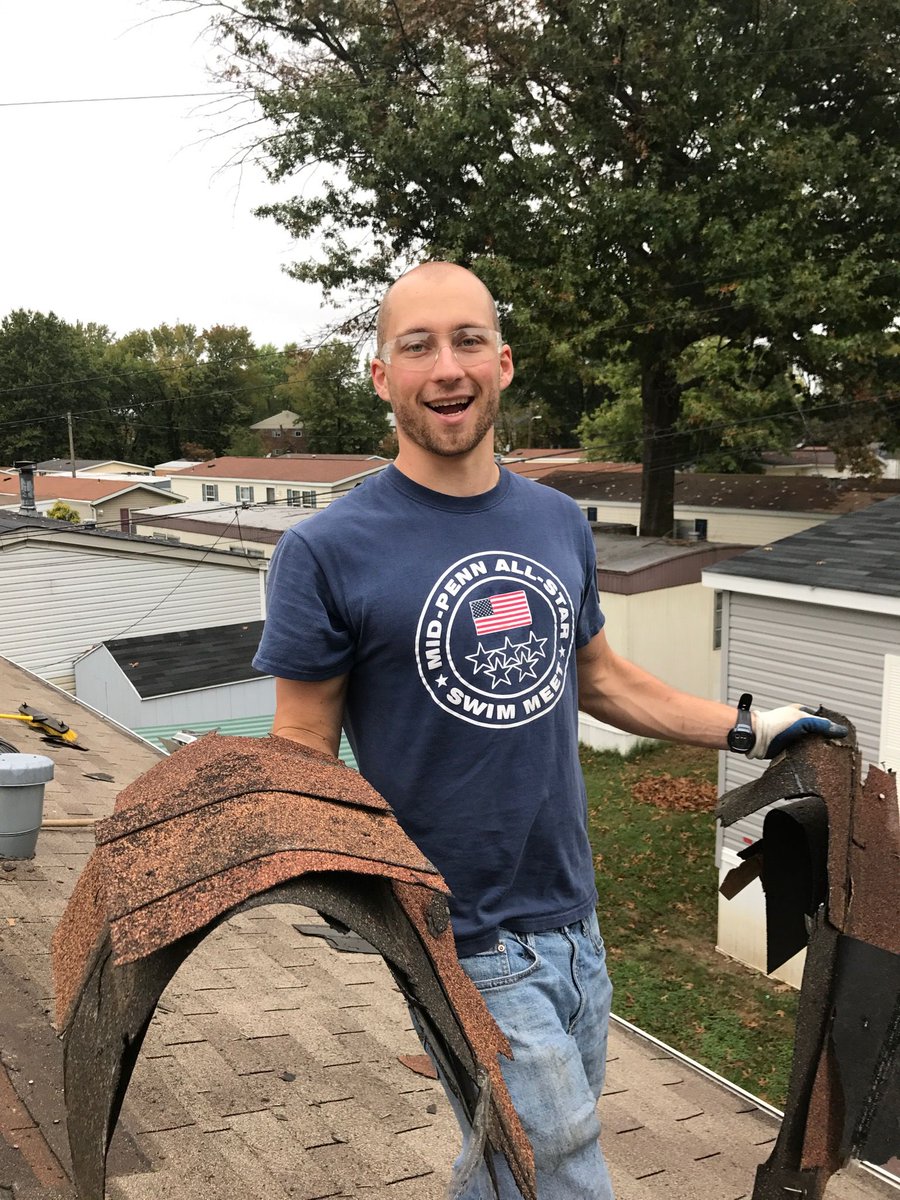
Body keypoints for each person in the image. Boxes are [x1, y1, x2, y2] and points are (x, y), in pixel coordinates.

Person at [253, 262, 846, 1200]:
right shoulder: (325, 550)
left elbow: (601, 681)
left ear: (504, 363)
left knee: (506, 1164)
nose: (446, 368)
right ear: (380, 375)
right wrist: (342, 879)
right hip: (455, 928)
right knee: (560, 1166)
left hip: (572, 917)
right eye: (418, 347)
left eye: (468, 341)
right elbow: (301, 744)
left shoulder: (555, 521)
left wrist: (752, 727)